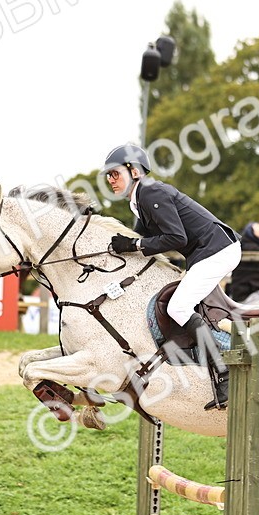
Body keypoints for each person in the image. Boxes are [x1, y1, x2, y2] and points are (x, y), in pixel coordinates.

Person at [101, 143, 241, 410]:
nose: (110, 180)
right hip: (207, 251)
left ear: (134, 171)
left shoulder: (152, 192)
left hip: (218, 250)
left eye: (115, 174)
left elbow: (176, 238)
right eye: (107, 176)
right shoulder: (138, 201)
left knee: (178, 306)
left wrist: (133, 246)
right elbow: (144, 239)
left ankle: (224, 373)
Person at [228, 221, 259, 304]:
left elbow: (256, 275)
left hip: (246, 294)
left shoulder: (247, 245)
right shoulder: (246, 246)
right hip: (246, 296)